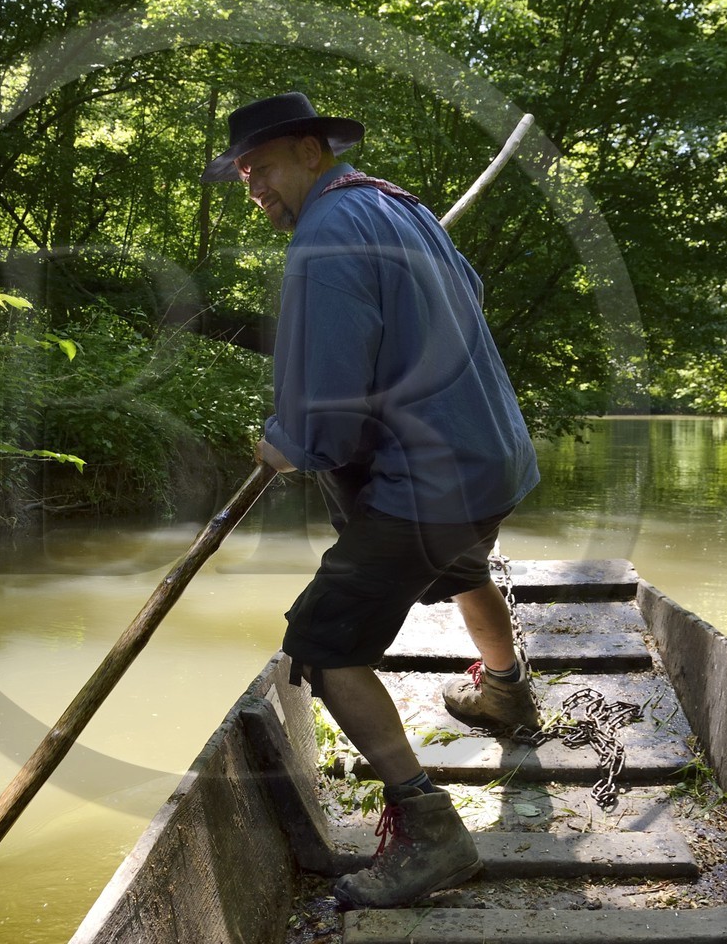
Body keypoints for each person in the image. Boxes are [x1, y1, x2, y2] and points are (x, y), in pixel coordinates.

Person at [202, 92, 543, 909]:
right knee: (463, 566)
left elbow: (325, 409)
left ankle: (431, 833)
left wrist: (290, 443)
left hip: (429, 479)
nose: (255, 189)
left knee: (322, 645)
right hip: (489, 459)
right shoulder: (400, 205)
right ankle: (504, 691)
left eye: (264, 168)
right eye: (243, 176)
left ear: (313, 152)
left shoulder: (326, 234)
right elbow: (473, 292)